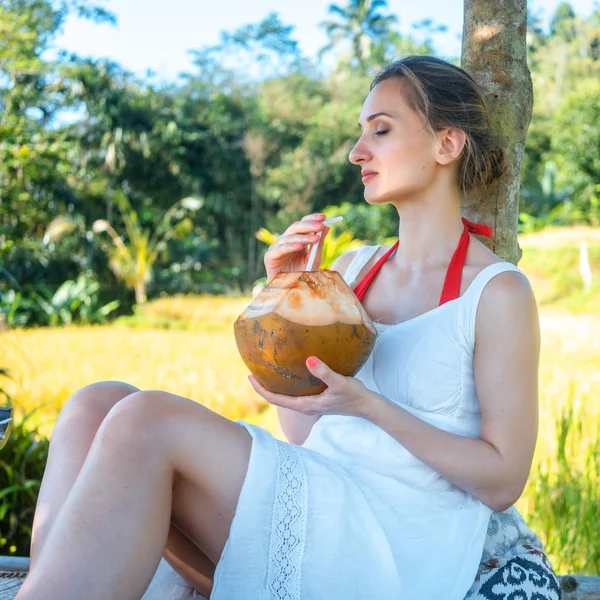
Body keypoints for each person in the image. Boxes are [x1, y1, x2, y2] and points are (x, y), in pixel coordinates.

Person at [16, 55, 561, 600]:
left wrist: (369, 405)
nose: (357, 152)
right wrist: (282, 300)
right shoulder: (352, 272)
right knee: (95, 404)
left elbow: (503, 479)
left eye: (382, 130)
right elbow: (304, 429)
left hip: (395, 541)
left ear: (447, 144)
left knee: (146, 418)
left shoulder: (496, 292)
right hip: (318, 490)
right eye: (359, 133)